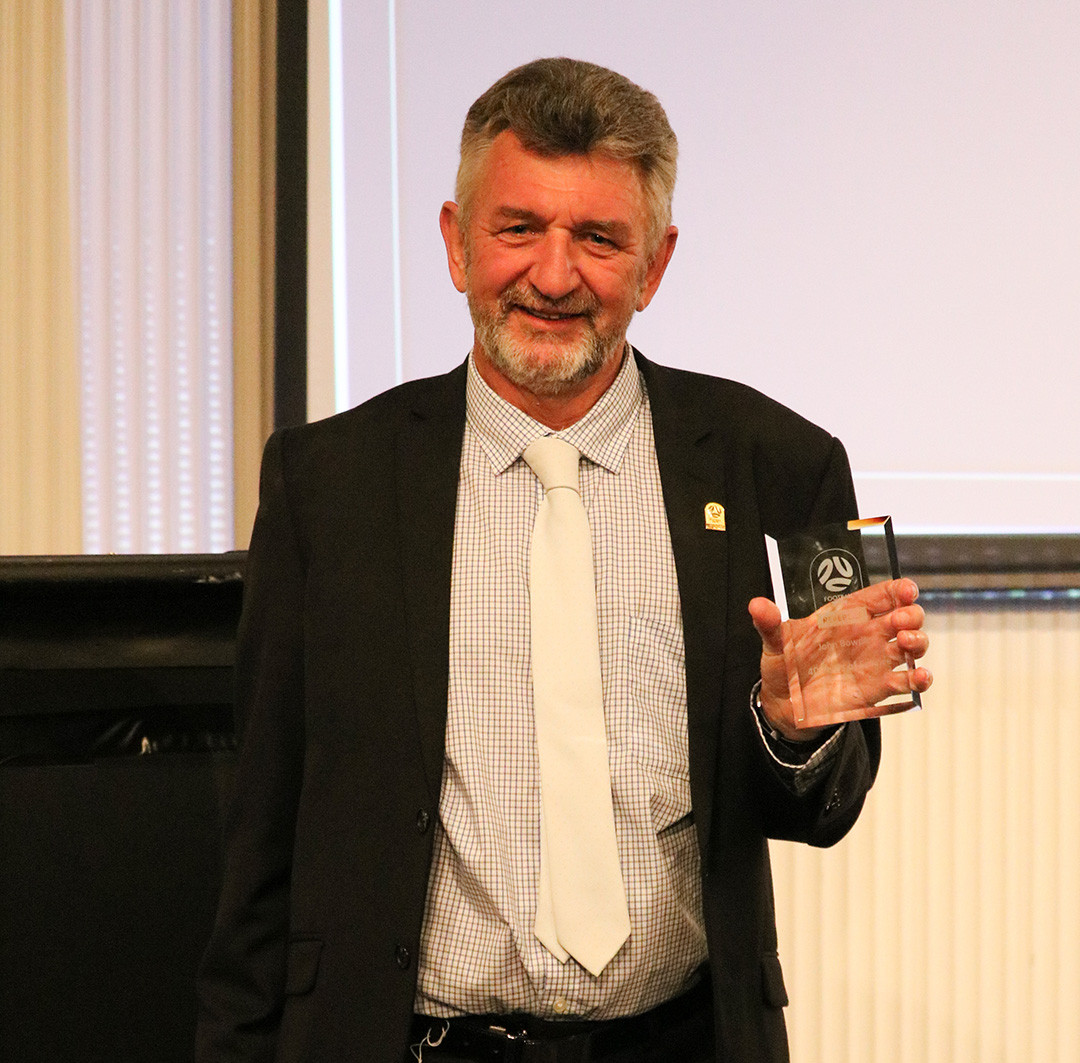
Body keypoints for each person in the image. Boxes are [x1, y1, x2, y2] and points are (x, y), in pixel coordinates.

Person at [196, 57, 931, 1063]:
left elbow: (834, 799)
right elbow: (263, 838)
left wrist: (795, 734)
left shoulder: (791, 465)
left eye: (596, 237)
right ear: (457, 244)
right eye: (518, 229)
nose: (553, 274)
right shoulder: (322, 483)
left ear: (654, 264)